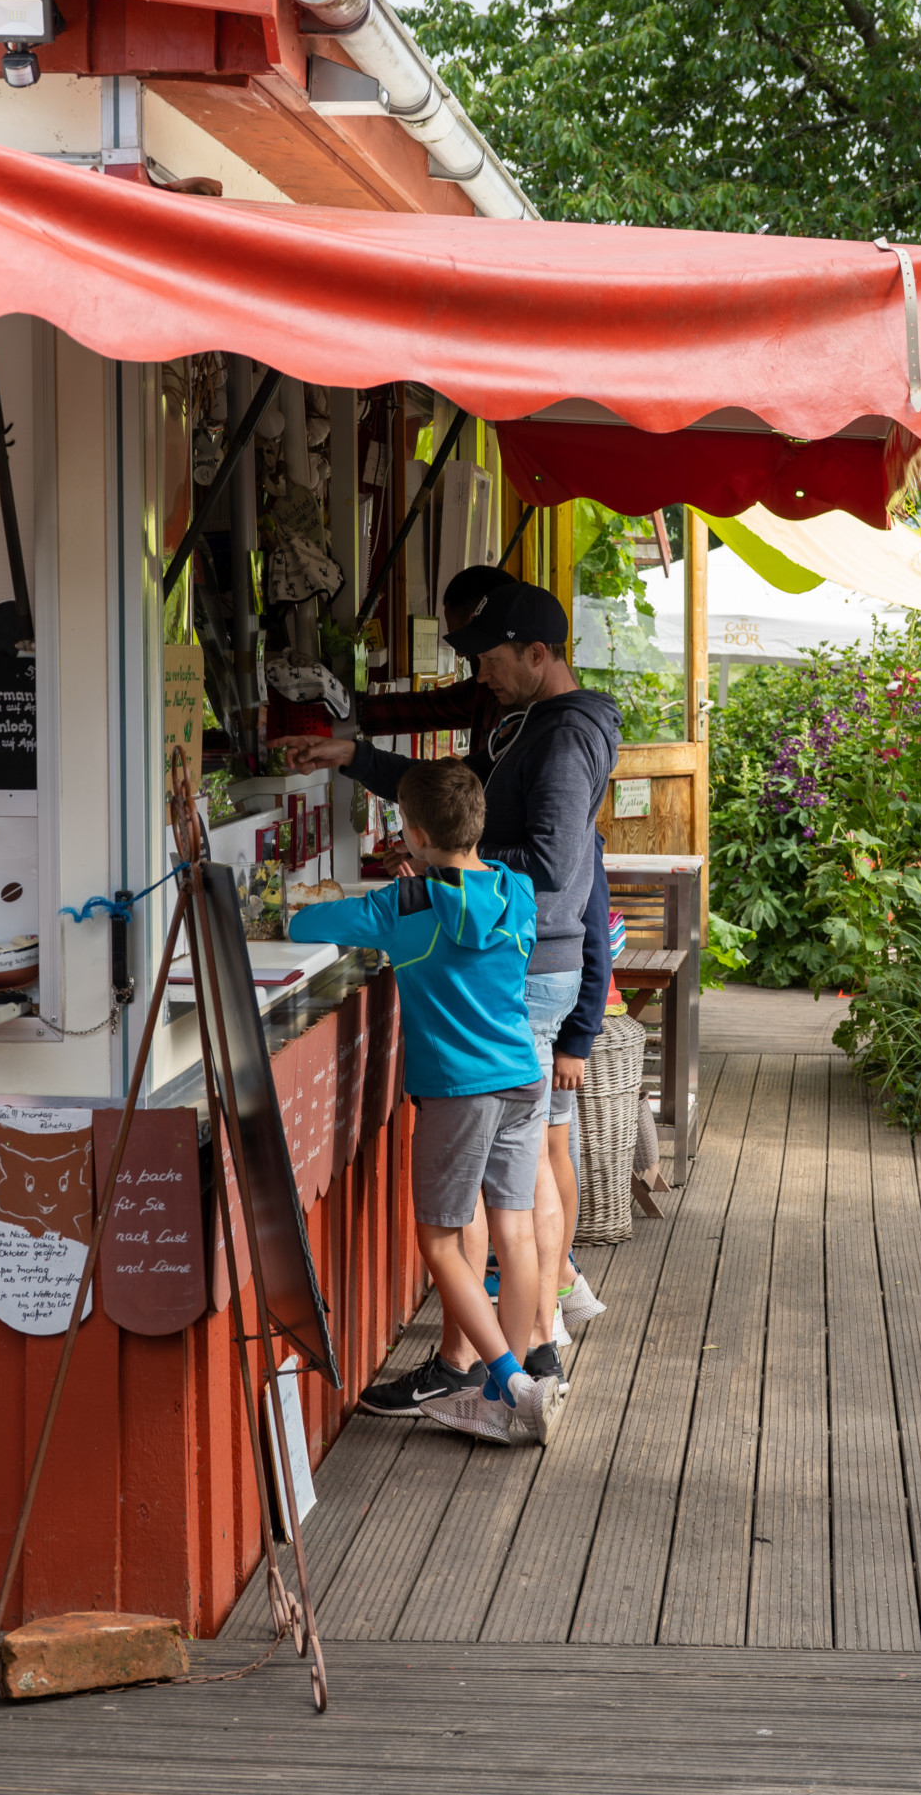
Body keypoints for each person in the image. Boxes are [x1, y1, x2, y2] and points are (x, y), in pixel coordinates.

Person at [286, 584, 620, 1397]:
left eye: (492, 661)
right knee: (516, 1186)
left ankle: (497, 1361)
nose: (483, 677)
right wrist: (357, 758)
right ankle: (523, 1353)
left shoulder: (565, 739)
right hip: (522, 995)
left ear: (539, 655)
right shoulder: (527, 727)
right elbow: (454, 798)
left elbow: (557, 873)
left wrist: (443, 874)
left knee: (506, 1191)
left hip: (528, 981)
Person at [287, 758, 565, 1446]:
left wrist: (406, 894)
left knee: (439, 1240)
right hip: (521, 1074)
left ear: (410, 832)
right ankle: (524, 1370)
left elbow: (304, 924)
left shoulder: (403, 906)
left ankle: (508, 1384)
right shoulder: (518, 889)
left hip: (459, 1088)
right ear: (478, 824)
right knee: (516, 1229)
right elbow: (481, 926)